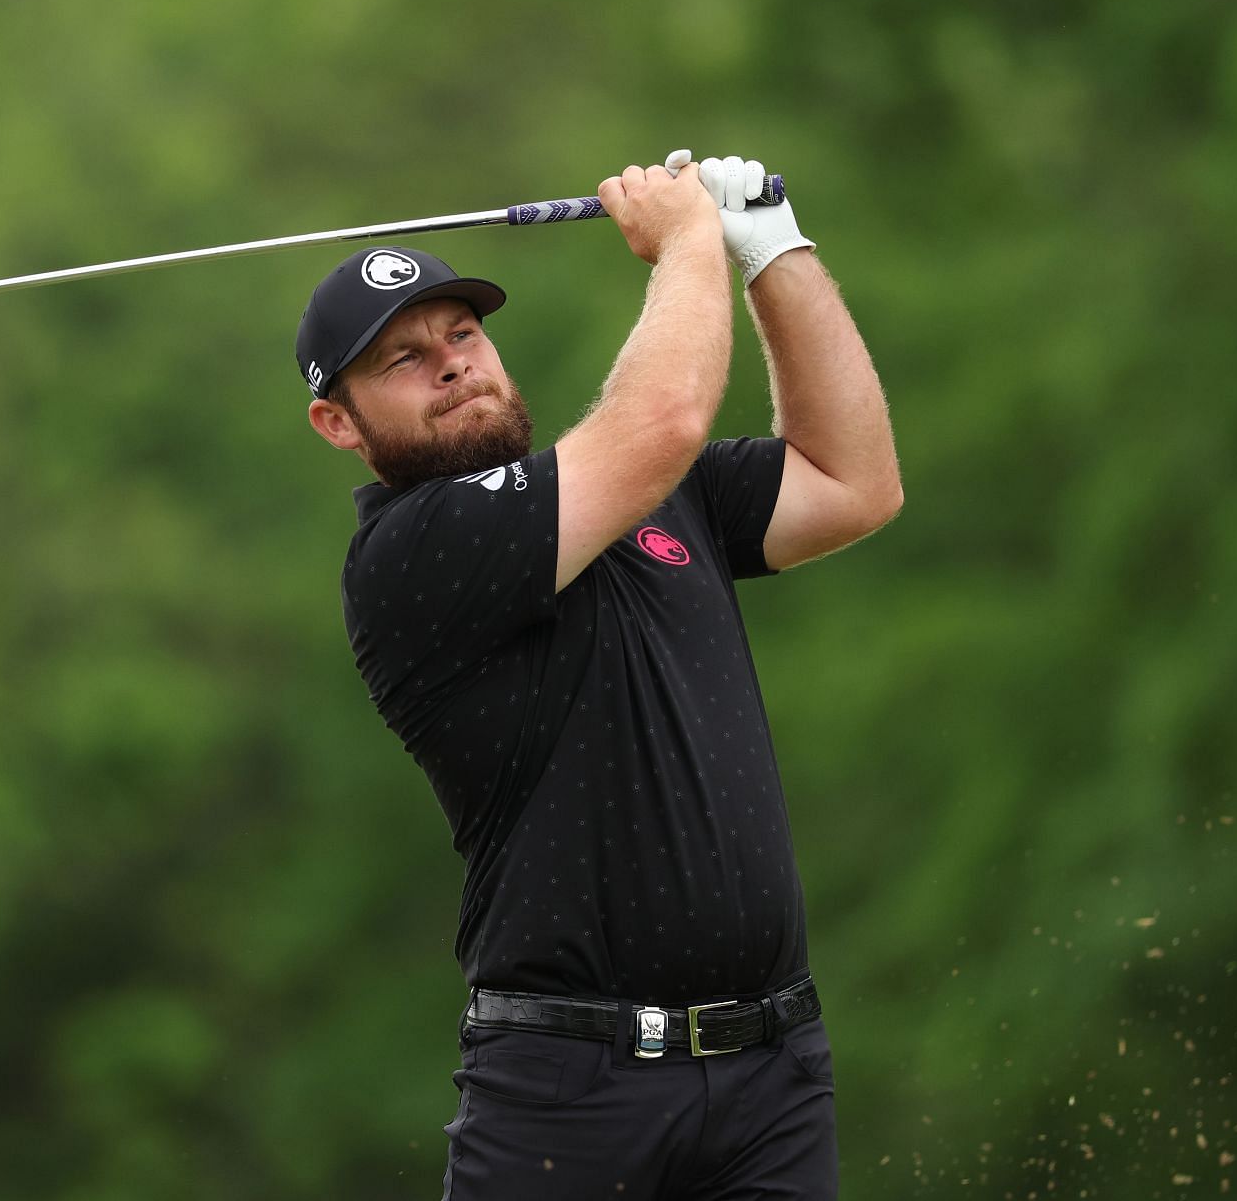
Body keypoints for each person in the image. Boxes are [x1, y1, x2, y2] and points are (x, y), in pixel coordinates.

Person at [295, 151, 902, 1200]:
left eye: (462, 333)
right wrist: (685, 243)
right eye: (400, 359)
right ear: (338, 423)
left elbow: (855, 482)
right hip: (569, 1097)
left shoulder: (660, 501)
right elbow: (660, 423)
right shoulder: (408, 552)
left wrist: (774, 248)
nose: (451, 363)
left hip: (773, 1075)